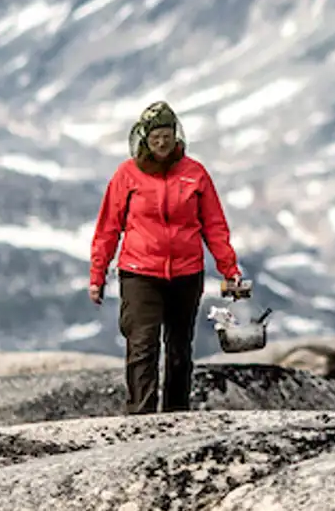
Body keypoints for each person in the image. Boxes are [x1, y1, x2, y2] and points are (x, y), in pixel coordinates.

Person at [88, 100, 244, 414]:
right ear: (144, 138)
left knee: (178, 350)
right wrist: (97, 275)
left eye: (167, 134)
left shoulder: (195, 174)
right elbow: (108, 228)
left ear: (177, 135)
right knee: (142, 345)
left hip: (186, 274)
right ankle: (141, 415)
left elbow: (214, 226)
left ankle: (176, 413)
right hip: (139, 273)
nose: (162, 142)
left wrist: (230, 269)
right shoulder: (127, 175)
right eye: (156, 136)